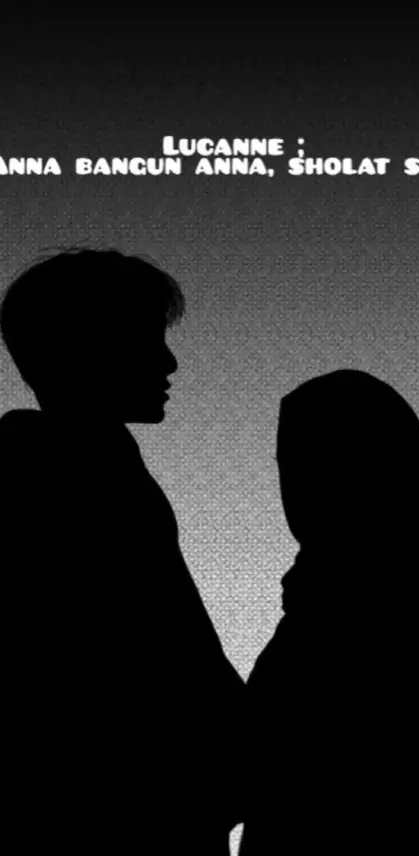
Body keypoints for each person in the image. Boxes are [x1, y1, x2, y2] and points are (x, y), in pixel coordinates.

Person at [0, 248, 243, 854]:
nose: (169, 362)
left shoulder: (97, 464)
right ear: (86, 348)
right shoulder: (71, 478)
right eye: (145, 339)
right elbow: (154, 650)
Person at [239, 369, 419, 855]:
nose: (291, 484)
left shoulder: (349, 607)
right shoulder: (400, 589)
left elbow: (265, 759)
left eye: (302, 462)